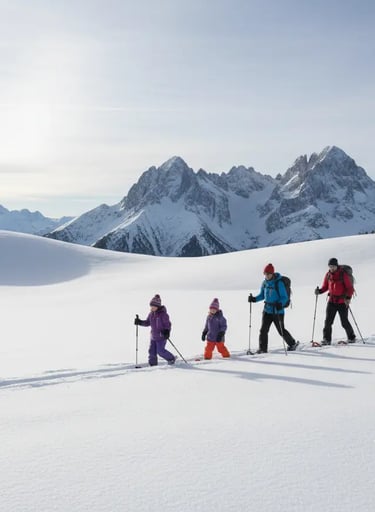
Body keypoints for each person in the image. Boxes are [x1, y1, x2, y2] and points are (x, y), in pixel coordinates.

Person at [248, 263, 299, 353]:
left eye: (268, 274)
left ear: (272, 273)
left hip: (277, 311)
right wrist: (254, 299)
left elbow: (284, 297)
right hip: (267, 310)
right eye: (265, 273)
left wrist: (280, 303)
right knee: (263, 330)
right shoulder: (264, 283)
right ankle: (262, 349)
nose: (266, 276)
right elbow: (262, 295)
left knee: (281, 331)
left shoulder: (278, 283)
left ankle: (292, 343)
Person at [315, 257, 356, 345]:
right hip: (332, 301)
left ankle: (352, 337)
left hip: (342, 302)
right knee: (328, 322)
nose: (332, 268)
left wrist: (348, 298)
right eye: (330, 266)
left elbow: (350, 288)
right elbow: (325, 286)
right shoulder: (328, 275)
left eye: (333, 266)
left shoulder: (343, 274)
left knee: (344, 322)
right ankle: (326, 339)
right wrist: (320, 291)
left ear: (337, 266)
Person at [134, 294, 176, 366]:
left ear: (158, 306)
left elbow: (168, 324)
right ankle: (153, 365)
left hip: (161, 337)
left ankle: (171, 358)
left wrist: (167, 331)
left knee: (160, 351)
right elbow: (147, 323)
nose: (152, 308)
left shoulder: (163, 314)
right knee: (151, 352)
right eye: (151, 306)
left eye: (153, 306)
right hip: (153, 337)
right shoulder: (151, 314)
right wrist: (140, 322)